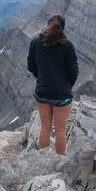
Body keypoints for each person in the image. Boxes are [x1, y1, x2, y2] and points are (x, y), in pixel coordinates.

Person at [26, 14, 78, 155]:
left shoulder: (36, 42)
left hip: (42, 91)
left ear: (48, 25)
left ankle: (43, 160)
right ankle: (60, 164)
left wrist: (41, 77)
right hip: (62, 94)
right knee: (60, 130)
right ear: (63, 28)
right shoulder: (68, 46)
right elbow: (73, 71)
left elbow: (31, 66)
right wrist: (67, 85)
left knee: (45, 127)